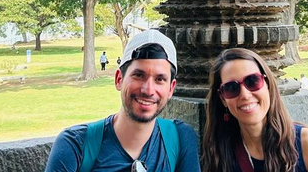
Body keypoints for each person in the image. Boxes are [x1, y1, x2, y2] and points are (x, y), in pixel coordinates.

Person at [45, 30, 200, 172]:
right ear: (119, 79)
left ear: (171, 89)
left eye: (160, 79)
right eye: (139, 75)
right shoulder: (75, 145)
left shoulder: (180, 138)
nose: (148, 90)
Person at [202, 48, 308, 172]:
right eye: (231, 88)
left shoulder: (307, 143)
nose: (245, 95)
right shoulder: (219, 150)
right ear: (223, 98)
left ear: (267, 84)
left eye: (252, 81)